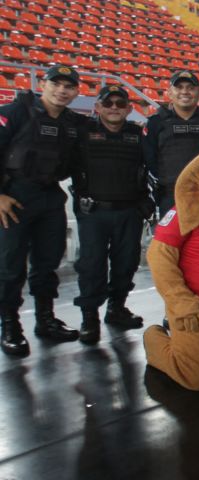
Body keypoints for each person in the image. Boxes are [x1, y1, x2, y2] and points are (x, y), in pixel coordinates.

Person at [0, 65, 85, 356]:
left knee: (47, 263)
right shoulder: (15, 112)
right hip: (14, 197)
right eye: (56, 84)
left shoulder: (73, 123)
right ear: (43, 84)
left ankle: (45, 320)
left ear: (76, 92)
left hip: (49, 196)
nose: (62, 90)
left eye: (69, 86)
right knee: (10, 267)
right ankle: (9, 326)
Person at [70, 86, 152, 345]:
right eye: (108, 103)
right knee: (91, 265)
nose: (114, 107)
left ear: (129, 109)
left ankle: (117, 308)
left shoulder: (138, 135)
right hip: (94, 212)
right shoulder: (82, 133)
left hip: (129, 211)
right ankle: (89, 317)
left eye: (120, 103)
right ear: (97, 107)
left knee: (126, 263)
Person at [143, 70, 199, 218]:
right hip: (170, 196)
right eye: (179, 87)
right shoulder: (156, 123)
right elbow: (149, 158)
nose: (185, 92)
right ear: (170, 93)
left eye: (191, 88)